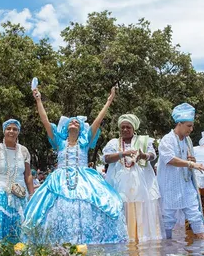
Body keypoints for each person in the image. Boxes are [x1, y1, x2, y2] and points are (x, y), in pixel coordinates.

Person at [24, 87, 127, 244]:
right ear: (65, 128)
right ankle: (58, 243)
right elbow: (45, 121)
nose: (74, 122)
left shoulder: (85, 142)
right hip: (60, 179)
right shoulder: (60, 142)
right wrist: (38, 100)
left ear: (80, 129)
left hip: (85, 179)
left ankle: (89, 242)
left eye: (77, 122)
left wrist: (109, 101)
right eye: (71, 121)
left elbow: (97, 121)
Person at [103, 114, 164, 242]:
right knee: (123, 207)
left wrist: (144, 156)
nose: (125, 130)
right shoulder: (114, 143)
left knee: (142, 207)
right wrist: (122, 154)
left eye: (128, 127)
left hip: (142, 184)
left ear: (133, 128)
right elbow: (106, 158)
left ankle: (142, 240)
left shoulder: (144, 141)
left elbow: (152, 155)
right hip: (119, 184)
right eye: (123, 127)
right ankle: (124, 239)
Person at [157, 103, 204, 240]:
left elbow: (186, 160)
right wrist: (192, 163)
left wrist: (191, 160)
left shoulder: (187, 141)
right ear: (179, 124)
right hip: (169, 186)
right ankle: (167, 250)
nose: (191, 129)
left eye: (192, 126)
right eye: (189, 126)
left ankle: (203, 253)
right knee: (167, 217)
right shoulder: (167, 140)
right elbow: (170, 159)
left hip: (185, 184)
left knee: (195, 215)